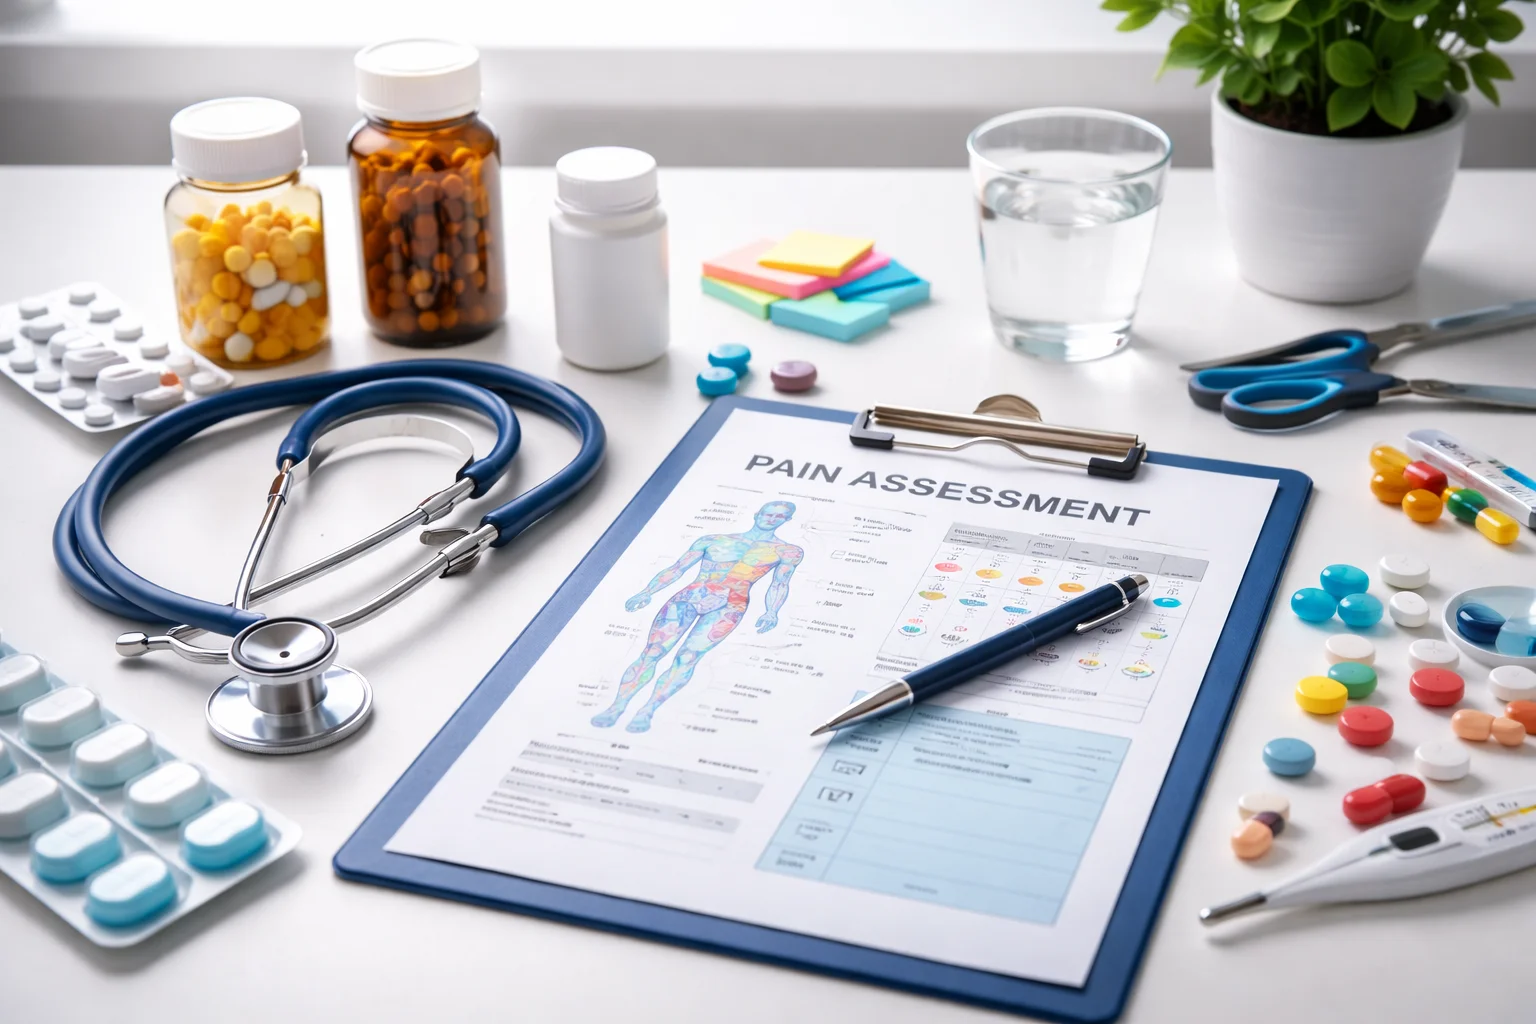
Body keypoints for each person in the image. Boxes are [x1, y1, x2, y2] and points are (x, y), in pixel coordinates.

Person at [591, 501, 803, 732]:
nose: (771, 519)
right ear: (757, 513)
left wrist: (772, 611)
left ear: (787, 520)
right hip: (689, 598)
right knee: (651, 653)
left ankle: (647, 710)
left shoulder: (787, 551)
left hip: (731, 605)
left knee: (688, 658)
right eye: (768, 513)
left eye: (778, 516)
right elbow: (678, 568)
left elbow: (780, 583)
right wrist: (648, 592)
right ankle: (616, 707)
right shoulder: (712, 540)